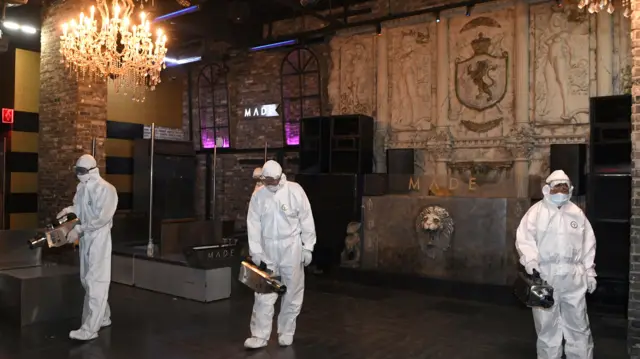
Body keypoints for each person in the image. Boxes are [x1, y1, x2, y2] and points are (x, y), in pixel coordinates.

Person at [515, 169, 596, 359]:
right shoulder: (535, 213)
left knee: (578, 325)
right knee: (547, 327)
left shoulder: (577, 214)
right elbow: (524, 239)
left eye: (564, 186)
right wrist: (531, 261)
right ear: (547, 189)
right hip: (545, 275)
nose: (560, 190)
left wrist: (589, 272)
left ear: (570, 189)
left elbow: (588, 245)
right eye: (556, 186)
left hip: (573, 276)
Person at [244, 160, 316, 349]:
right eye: (268, 180)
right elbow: (253, 224)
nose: (272, 184)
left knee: (292, 291)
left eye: (274, 180)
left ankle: (286, 331)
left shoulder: (294, 191)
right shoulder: (259, 196)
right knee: (264, 292)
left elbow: (306, 218)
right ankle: (259, 335)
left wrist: (308, 246)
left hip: (291, 246)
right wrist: (256, 251)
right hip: (268, 248)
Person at [58, 154, 119, 341]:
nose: (79, 174)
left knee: (96, 281)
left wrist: (80, 229)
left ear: (93, 170)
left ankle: (90, 329)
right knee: (86, 279)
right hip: (85, 238)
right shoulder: (82, 188)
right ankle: (104, 317)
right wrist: (67, 213)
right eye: (77, 171)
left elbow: (102, 219)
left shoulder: (107, 190)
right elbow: (79, 208)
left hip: (99, 238)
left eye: (82, 171)